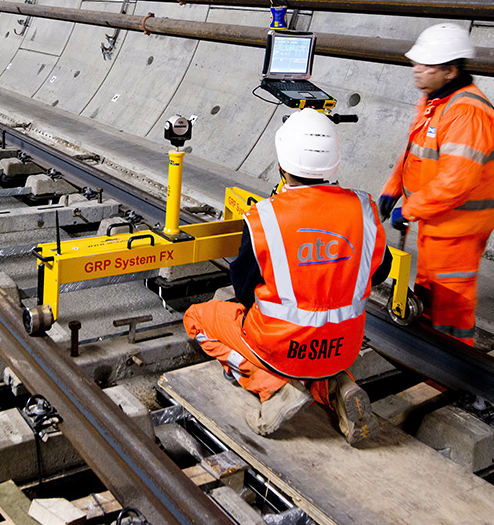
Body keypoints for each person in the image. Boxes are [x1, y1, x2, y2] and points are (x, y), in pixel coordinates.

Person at [184, 108, 391, 444]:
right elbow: (378, 271)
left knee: (198, 319)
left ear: (282, 166)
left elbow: (244, 289)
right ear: (334, 164)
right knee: (316, 360)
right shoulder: (364, 211)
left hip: (281, 348)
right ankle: (336, 386)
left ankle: (274, 387)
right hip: (343, 347)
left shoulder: (264, 219)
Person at [378, 23, 494, 346]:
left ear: (450, 70)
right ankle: (430, 359)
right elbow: (414, 153)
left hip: (459, 228)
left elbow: (456, 182)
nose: (417, 69)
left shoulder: (467, 113)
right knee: (430, 294)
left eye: (426, 65)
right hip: (437, 222)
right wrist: (393, 188)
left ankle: (460, 376)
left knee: (451, 306)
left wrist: (410, 209)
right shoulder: (435, 102)